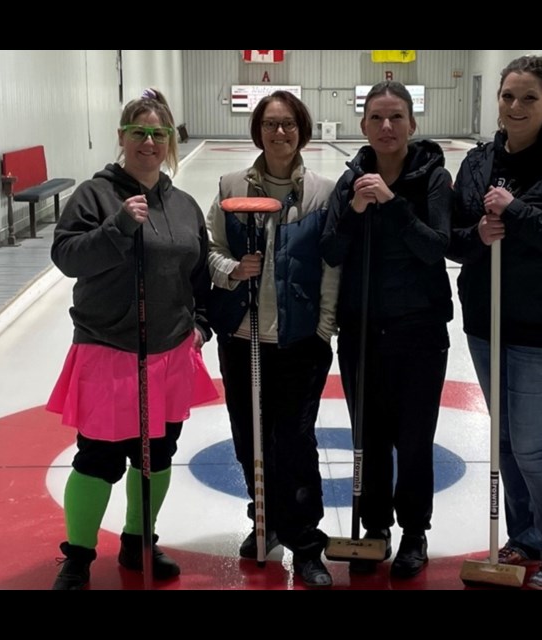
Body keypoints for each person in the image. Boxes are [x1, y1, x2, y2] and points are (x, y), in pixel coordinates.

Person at [46, 89, 218, 590]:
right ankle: (77, 557)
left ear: (169, 141)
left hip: (169, 353)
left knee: (157, 455)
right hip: (109, 349)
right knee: (98, 457)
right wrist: (118, 228)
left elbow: (198, 274)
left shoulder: (183, 205)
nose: (148, 141)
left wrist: (200, 325)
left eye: (158, 133)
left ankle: (138, 541)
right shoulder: (94, 196)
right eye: (139, 132)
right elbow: (68, 257)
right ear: (122, 137)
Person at [448, 55, 542, 590]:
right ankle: (526, 537)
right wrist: (478, 236)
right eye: (508, 96)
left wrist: (516, 212)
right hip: (486, 322)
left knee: (532, 444)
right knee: (505, 443)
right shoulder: (478, 162)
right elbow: (456, 235)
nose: (516, 107)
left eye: (530, 98)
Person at [205, 90, 339, 588]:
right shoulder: (230, 186)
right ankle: (264, 521)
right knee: (250, 436)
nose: (279, 133)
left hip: (299, 340)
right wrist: (232, 270)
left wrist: (324, 328)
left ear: (301, 129)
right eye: (269, 124)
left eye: (288, 125)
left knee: (295, 439)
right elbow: (210, 249)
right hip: (243, 336)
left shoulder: (323, 193)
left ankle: (306, 541)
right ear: (257, 130)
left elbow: (330, 265)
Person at [321, 81, 453, 579]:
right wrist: (356, 210)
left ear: (412, 124)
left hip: (418, 332)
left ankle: (414, 532)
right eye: (376, 118)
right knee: (368, 438)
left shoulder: (434, 180)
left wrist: (393, 204)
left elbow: (436, 246)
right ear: (364, 126)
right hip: (361, 333)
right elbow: (331, 250)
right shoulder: (350, 180)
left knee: (415, 439)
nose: (386, 127)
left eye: (396, 117)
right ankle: (375, 528)